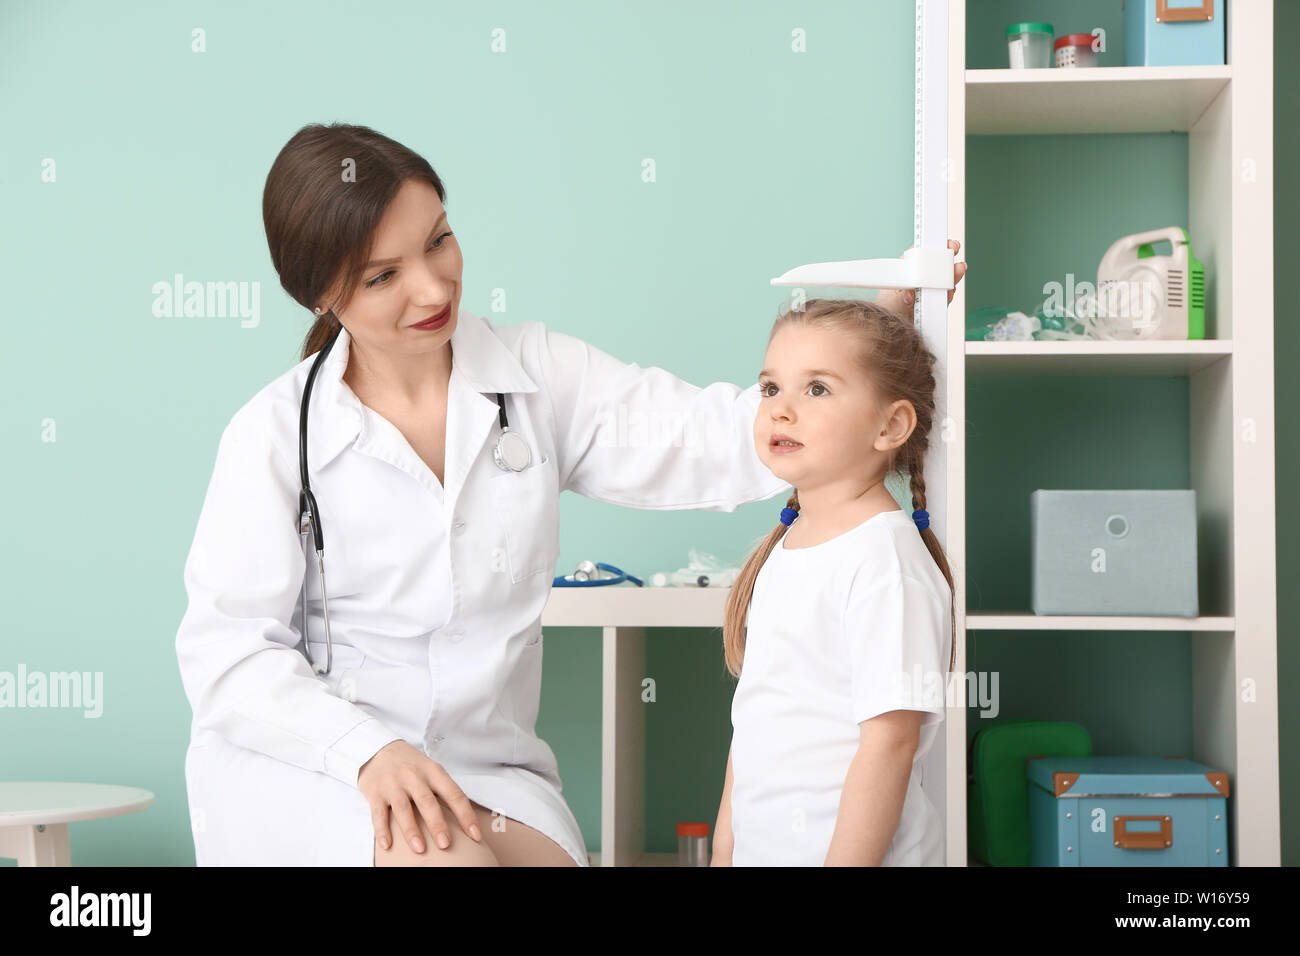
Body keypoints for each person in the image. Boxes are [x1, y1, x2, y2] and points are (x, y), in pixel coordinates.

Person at [174, 121, 964, 867]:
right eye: (384, 276)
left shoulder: (537, 376)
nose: (431, 288)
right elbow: (228, 655)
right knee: (444, 856)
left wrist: (868, 345)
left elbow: (706, 435)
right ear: (321, 296)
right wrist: (365, 751)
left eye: (439, 240)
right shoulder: (277, 435)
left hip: (481, 767)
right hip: (322, 765)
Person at [711, 296, 958, 866]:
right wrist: (726, 848)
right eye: (770, 388)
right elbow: (756, 723)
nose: (780, 410)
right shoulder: (788, 547)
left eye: (816, 389)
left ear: (891, 424)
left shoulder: (885, 563)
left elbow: (890, 744)